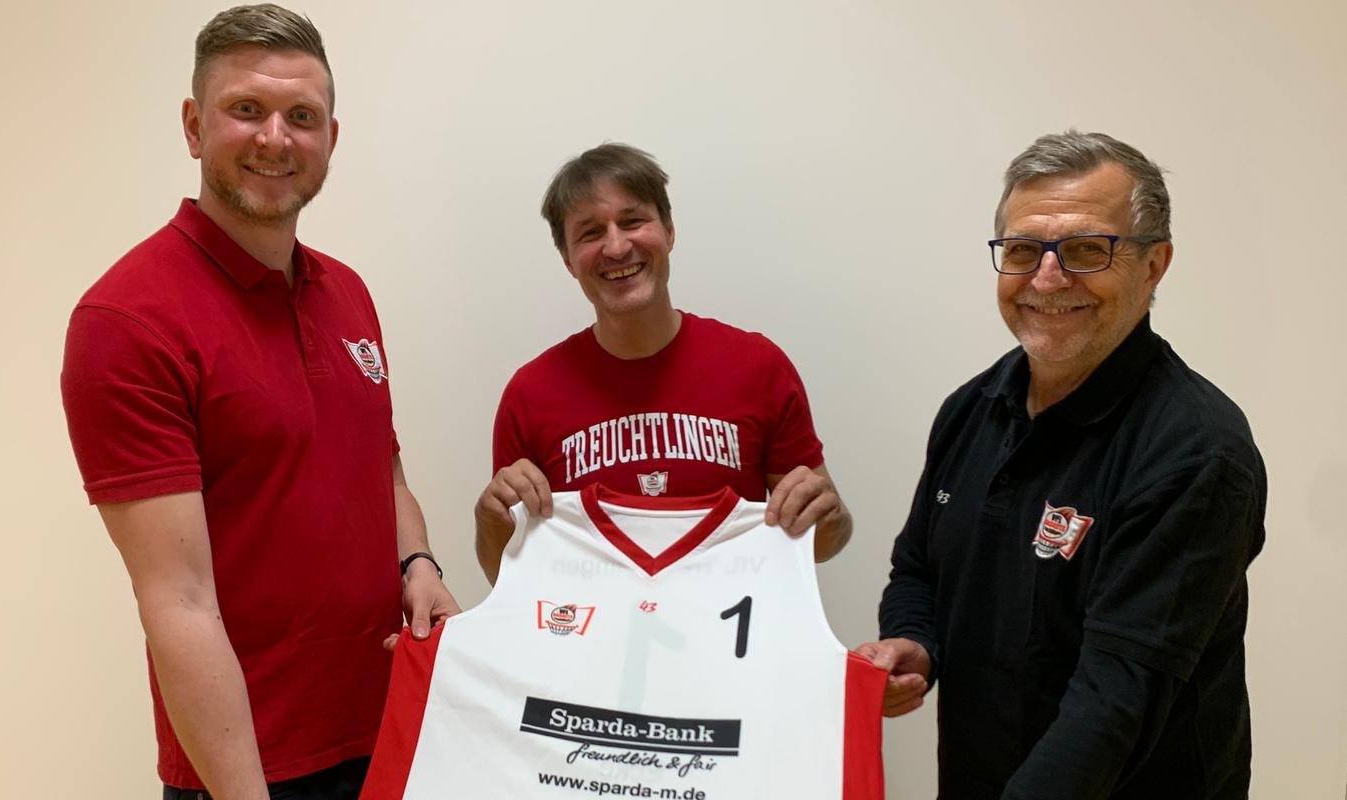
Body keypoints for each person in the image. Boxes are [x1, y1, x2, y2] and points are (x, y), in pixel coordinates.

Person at [60, 4, 457, 800]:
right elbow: (177, 603)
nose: (275, 139)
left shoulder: (347, 292)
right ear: (193, 126)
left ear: (330, 141)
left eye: (301, 117)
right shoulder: (126, 321)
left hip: (393, 727)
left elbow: (381, 469)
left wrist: (416, 559)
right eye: (247, 109)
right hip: (257, 772)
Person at [860, 131, 1266, 798]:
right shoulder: (970, 409)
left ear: (1153, 265)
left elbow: (1115, 700)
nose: (1046, 279)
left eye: (1085, 250)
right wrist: (915, 641)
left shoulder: (1196, 453)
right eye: (1022, 250)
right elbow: (918, 571)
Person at [474, 142, 851, 583]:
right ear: (568, 260)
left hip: (732, 643)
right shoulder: (530, 393)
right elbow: (505, 576)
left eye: (633, 221)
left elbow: (823, 544)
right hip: (590, 646)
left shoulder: (758, 366)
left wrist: (833, 518)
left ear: (669, 230)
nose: (616, 247)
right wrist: (490, 519)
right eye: (591, 233)